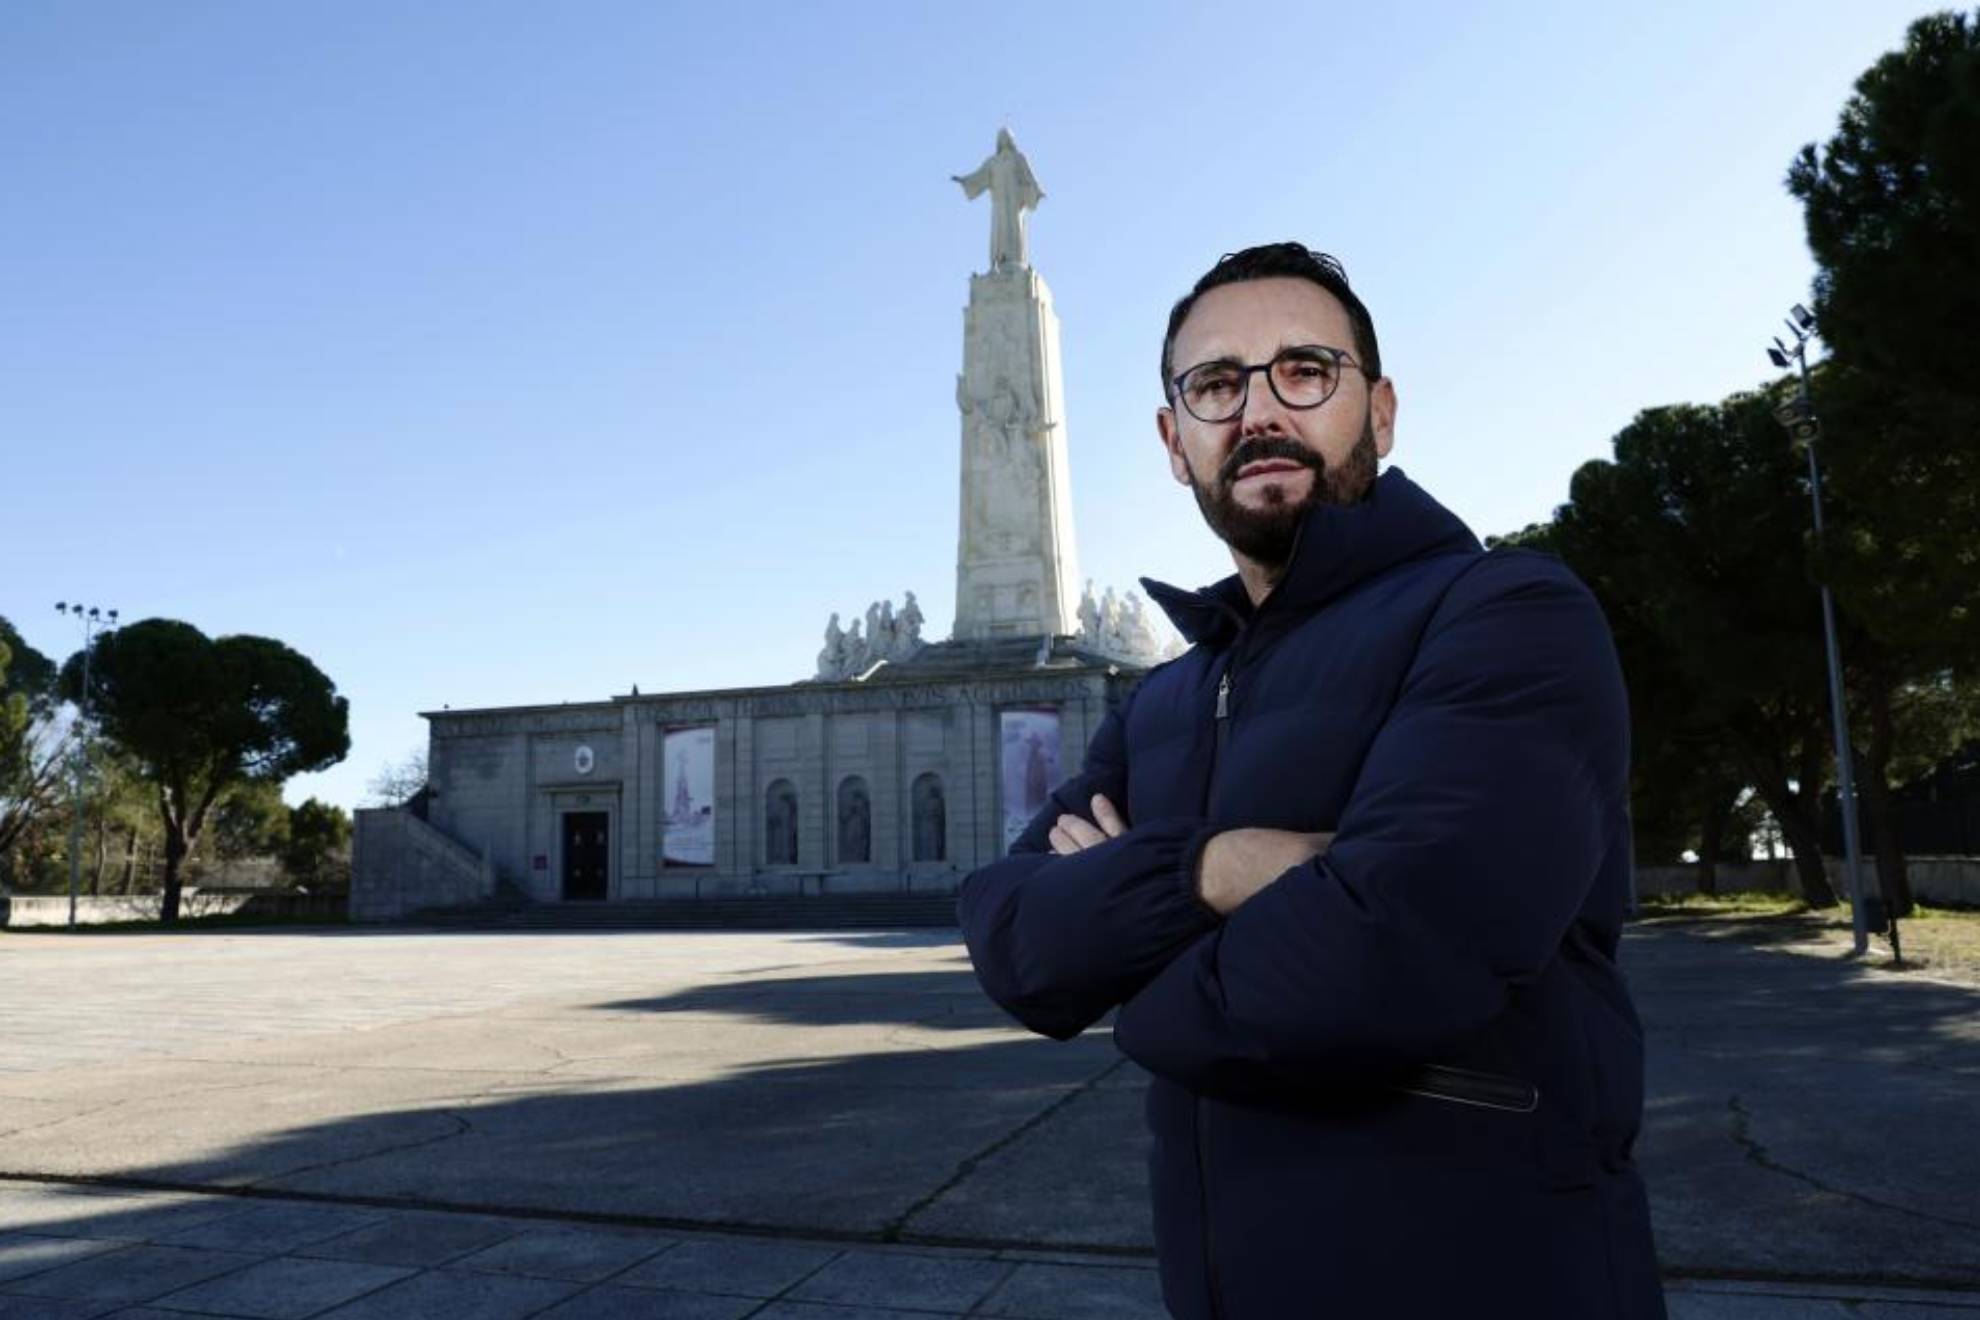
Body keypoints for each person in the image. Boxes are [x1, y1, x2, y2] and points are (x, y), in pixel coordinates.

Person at [957, 243, 1665, 1319]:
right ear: (1173, 440)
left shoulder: (1508, 615)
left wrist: (1134, 983)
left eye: (1305, 370)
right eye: (1215, 384)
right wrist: (1217, 868)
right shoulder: (1164, 699)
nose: (1258, 412)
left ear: (1380, 412)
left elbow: (1395, 957)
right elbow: (1015, 940)